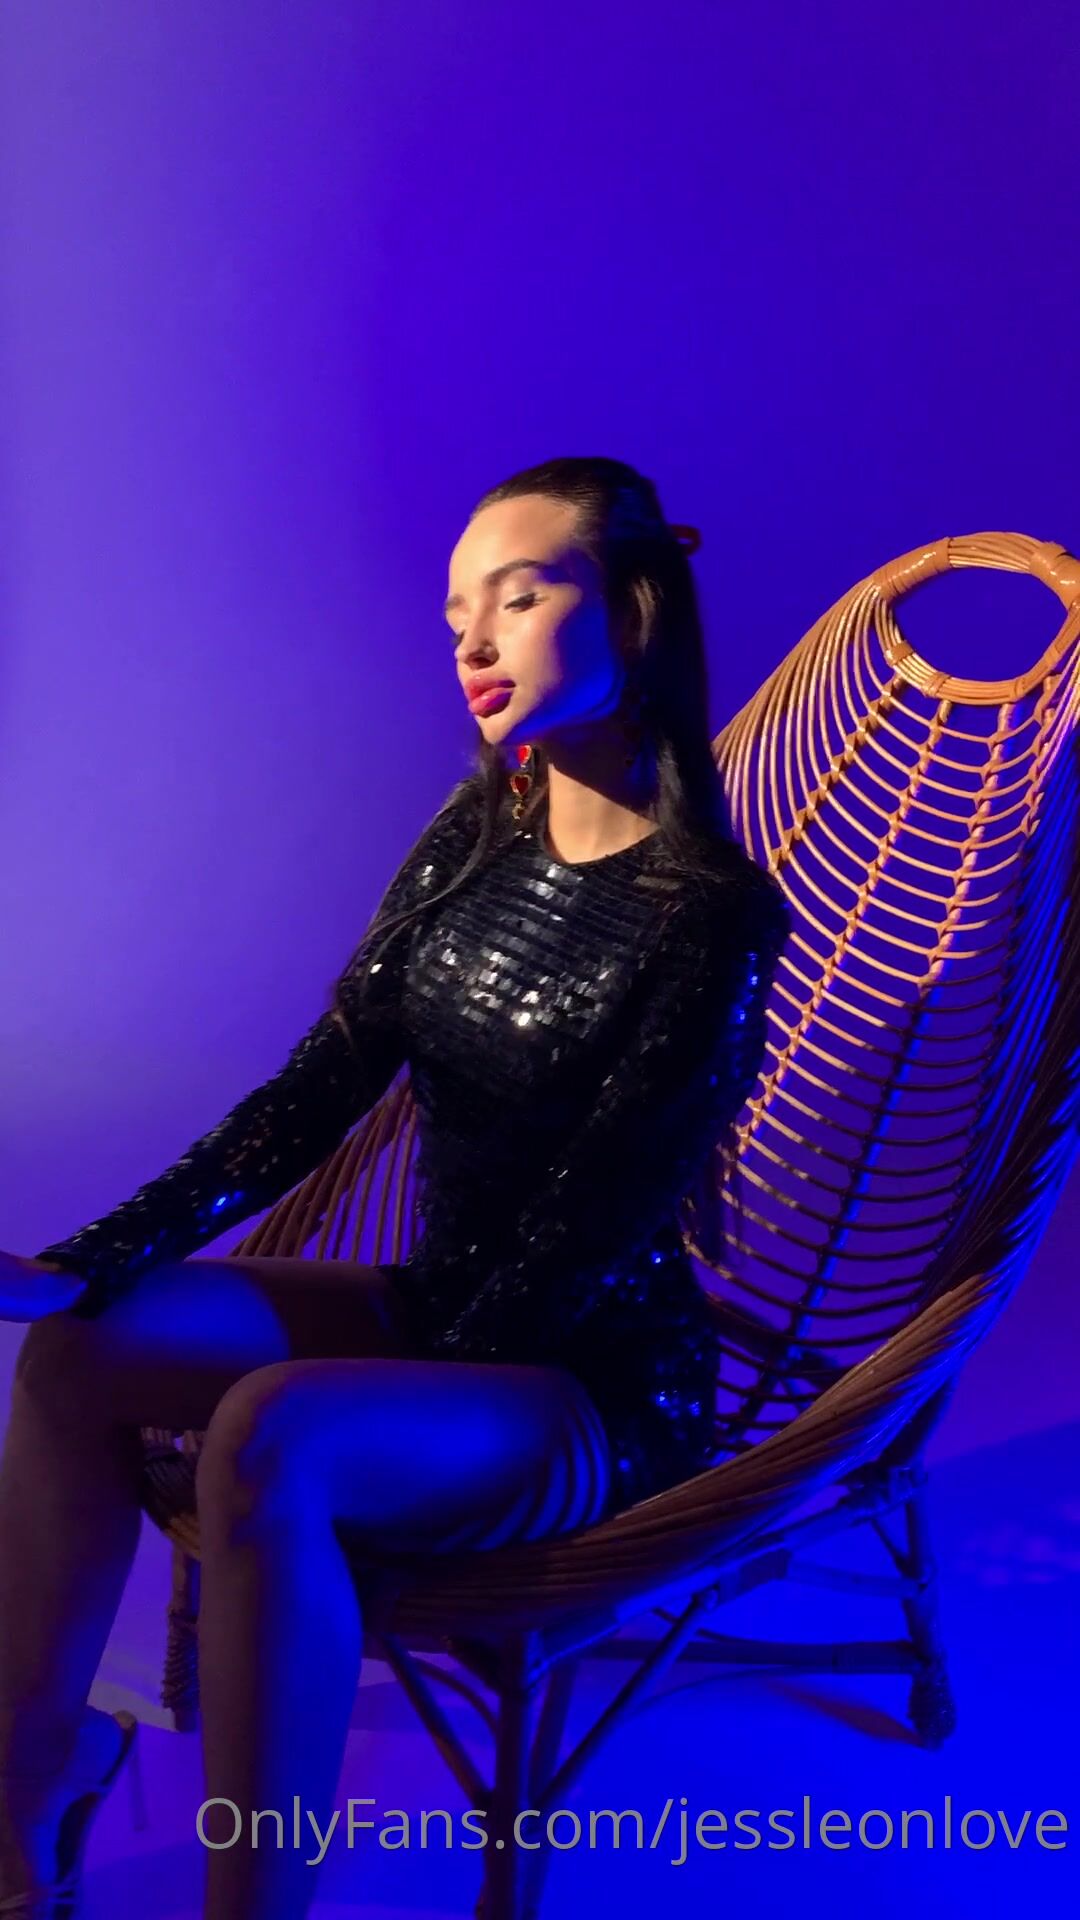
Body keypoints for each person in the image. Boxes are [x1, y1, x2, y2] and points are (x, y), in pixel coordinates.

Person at [0, 455, 789, 1917]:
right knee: (79, 1346)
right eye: (456, 615)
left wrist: (353, 1385)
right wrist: (94, 1254)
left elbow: (592, 1227)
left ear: (633, 609)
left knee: (277, 1434)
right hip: (441, 1313)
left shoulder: (712, 914)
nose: (474, 641)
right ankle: (30, 1790)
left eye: (520, 596)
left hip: (590, 1383)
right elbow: (319, 1086)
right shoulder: (472, 837)